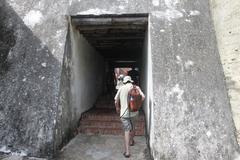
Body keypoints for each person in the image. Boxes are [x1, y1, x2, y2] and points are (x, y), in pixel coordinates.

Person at [114, 76, 145, 158]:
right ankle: (131, 141)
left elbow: (116, 100)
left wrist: (117, 108)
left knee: (127, 130)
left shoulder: (121, 88)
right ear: (131, 81)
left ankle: (127, 152)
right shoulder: (136, 87)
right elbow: (143, 97)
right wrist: (138, 105)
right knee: (133, 127)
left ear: (124, 82)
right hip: (134, 112)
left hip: (124, 114)